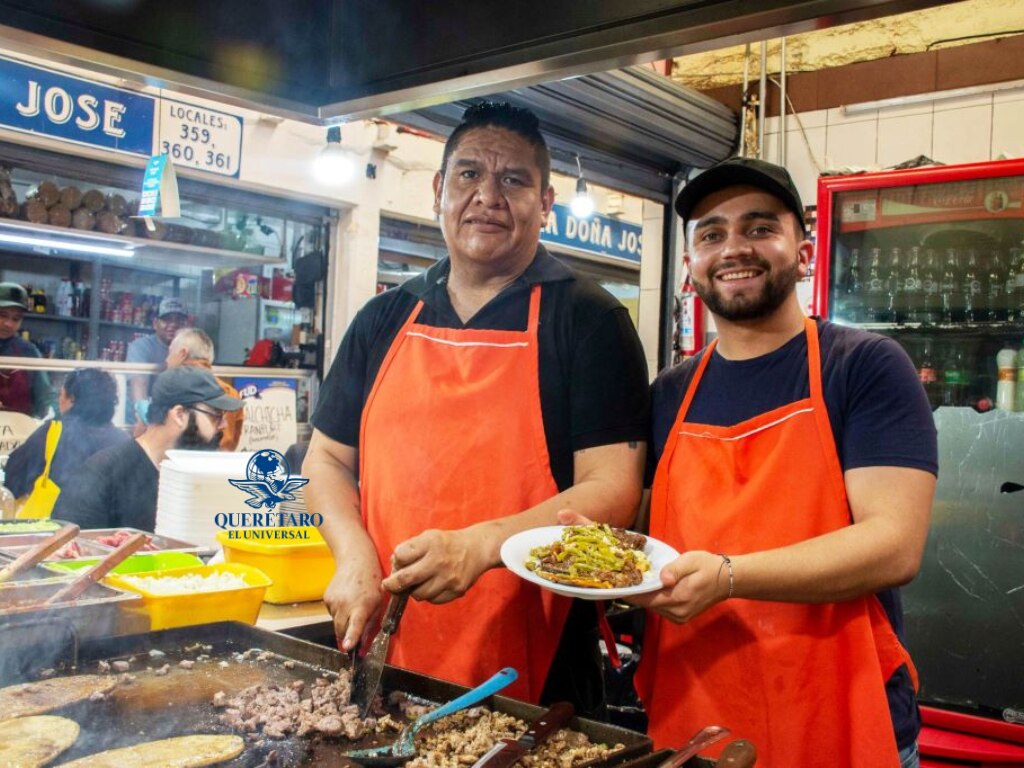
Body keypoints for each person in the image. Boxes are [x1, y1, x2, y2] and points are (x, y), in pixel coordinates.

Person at [304, 102, 649, 708]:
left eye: (513, 179)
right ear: (439, 189)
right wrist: (352, 554)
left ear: (545, 203)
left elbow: (613, 489)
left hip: (533, 666)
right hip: (387, 640)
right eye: (468, 175)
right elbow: (326, 460)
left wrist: (481, 547)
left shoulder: (589, 320)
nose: (487, 196)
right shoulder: (384, 318)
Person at [633, 157, 936, 768]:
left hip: (841, 712)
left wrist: (728, 576)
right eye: (711, 234)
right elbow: (646, 540)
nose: (734, 247)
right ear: (690, 268)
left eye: (759, 227)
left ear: (803, 252)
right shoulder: (669, 393)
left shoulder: (865, 366)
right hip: (697, 719)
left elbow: (894, 544)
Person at [53, 366, 241, 531]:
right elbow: (69, 553)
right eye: (215, 414)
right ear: (179, 415)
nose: (224, 424)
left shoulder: (201, 475)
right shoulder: (101, 475)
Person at [5, 368, 130, 507]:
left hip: (58, 524)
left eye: (62, 395)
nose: (59, 400)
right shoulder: (124, 442)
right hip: (111, 527)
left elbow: (13, 480)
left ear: (72, 400)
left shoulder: (53, 431)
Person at [165, 328, 244, 451]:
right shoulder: (231, 393)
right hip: (220, 467)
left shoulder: (174, 389)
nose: (167, 360)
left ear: (182, 353)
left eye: (169, 353)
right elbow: (232, 443)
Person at [125, 297, 188, 420]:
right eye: (166, 319)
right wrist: (145, 418)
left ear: (186, 325)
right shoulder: (141, 346)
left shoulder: (190, 349)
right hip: (139, 420)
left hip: (173, 419)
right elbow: (139, 385)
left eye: (178, 320)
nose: (173, 325)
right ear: (155, 324)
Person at [0, 282, 57, 418]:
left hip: (20, 434)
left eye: (16, 318)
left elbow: (46, 397)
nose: (8, 323)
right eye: (2, 315)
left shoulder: (28, 352)